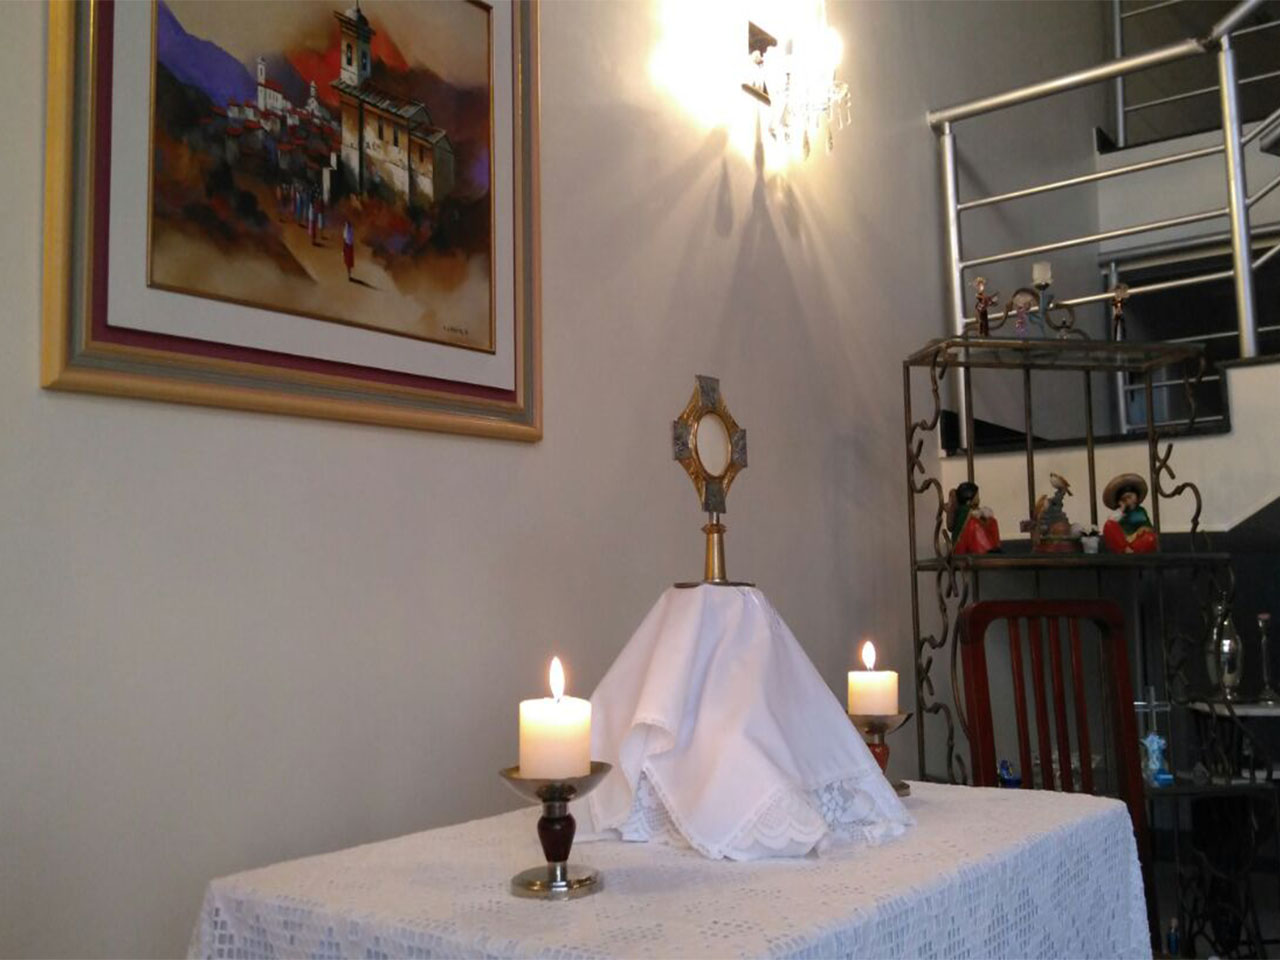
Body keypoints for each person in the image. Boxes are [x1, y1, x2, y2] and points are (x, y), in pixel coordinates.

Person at [1102, 473, 1158, 554]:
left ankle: (1133, 551)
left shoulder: (1141, 511)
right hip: (1123, 541)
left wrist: (1143, 530)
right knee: (1109, 525)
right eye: (1125, 498)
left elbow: (1148, 527)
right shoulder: (1120, 513)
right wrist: (1121, 509)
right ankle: (1125, 549)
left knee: (1150, 538)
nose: (1128, 500)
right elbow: (1111, 522)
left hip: (1136, 541)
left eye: (1130, 497)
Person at [946, 482, 1001, 555]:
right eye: (977, 496)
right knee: (974, 524)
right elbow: (974, 518)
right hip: (962, 548)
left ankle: (991, 548)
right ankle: (986, 549)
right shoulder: (965, 511)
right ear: (969, 500)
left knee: (991, 521)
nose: (979, 498)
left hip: (967, 546)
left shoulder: (969, 510)